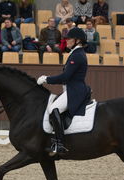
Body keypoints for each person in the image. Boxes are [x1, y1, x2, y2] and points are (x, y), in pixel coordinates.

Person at [36, 27, 90, 155]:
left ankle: (59, 143)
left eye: (69, 39)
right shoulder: (76, 53)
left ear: (77, 40)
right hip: (72, 89)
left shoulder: (77, 55)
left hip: (75, 91)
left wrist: (46, 79)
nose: (67, 41)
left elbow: (65, 77)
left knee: (53, 109)